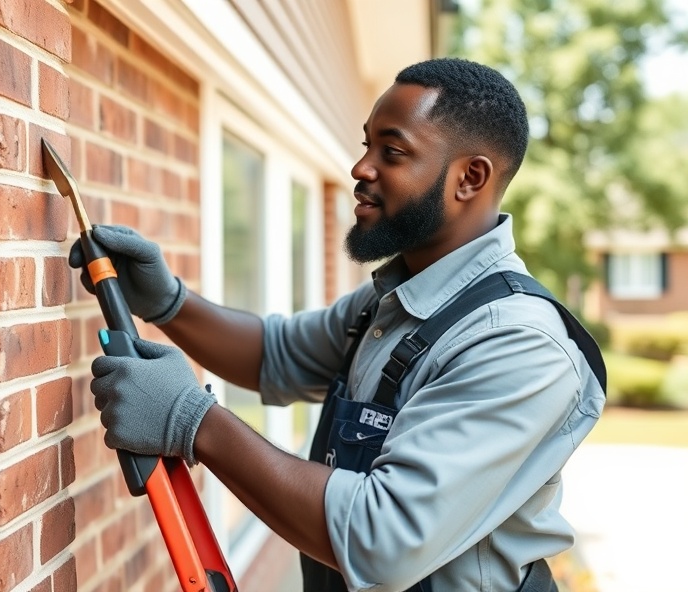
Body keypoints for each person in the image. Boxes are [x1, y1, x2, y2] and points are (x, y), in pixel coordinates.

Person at [71, 58, 606, 592]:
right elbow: (273, 354)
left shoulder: (516, 344)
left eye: (391, 152)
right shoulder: (392, 302)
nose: (360, 168)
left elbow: (383, 538)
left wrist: (193, 420)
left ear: (470, 178)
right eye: (366, 144)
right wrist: (169, 303)